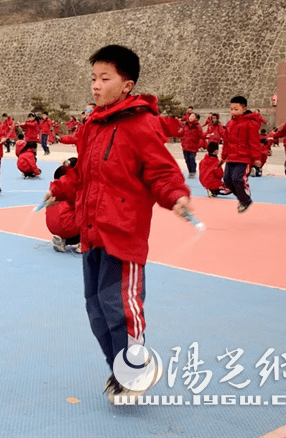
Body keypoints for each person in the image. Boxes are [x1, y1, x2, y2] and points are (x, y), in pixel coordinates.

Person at [42, 45, 191, 405]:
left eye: (104, 79)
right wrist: (59, 188)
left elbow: (160, 170)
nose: (95, 85)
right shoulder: (93, 124)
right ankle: (120, 372)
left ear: (127, 85)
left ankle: (135, 373)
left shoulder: (142, 124)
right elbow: (83, 172)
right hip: (92, 233)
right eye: (93, 78)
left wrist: (176, 195)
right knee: (96, 309)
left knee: (120, 308)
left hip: (123, 235)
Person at [222, 96, 262, 213]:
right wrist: (223, 156)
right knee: (227, 181)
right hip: (231, 157)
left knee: (237, 179)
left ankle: (245, 199)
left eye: (236, 109)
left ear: (244, 109)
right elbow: (226, 141)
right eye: (231, 109)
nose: (233, 112)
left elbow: (254, 142)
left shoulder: (251, 123)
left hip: (244, 158)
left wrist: (256, 158)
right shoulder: (230, 123)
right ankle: (242, 198)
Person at [46, 160, 81, 253]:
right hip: (68, 226)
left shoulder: (53, 188)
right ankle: (85, 243)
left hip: (53, 227)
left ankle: (63, 241)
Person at [178, 112, 205, 178]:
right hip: (185, 145)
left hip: (193, 146)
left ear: (196, 118)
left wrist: (207, 135)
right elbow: (181, 133)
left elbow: (201, 135)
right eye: (190, 116)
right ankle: (190, 171)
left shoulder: (197, 126)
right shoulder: (186, 125)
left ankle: (193, 171)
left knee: (191, 158)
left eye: (193, 116)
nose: (191, 117)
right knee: (187, 159)